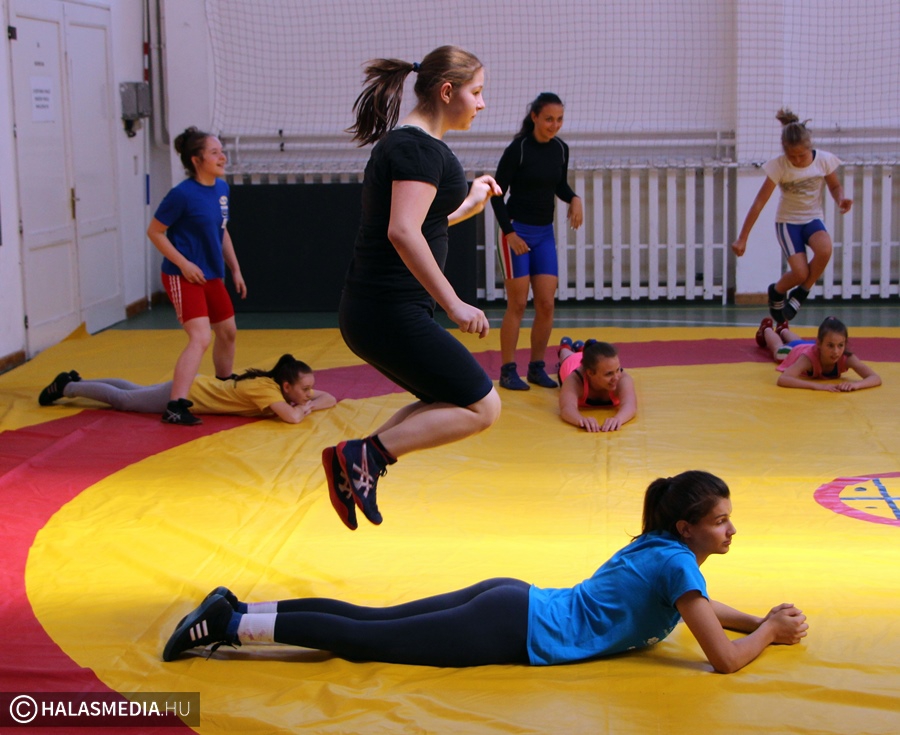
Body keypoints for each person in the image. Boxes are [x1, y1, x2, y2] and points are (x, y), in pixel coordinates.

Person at [163, 470, 808, 674]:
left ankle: (239, 609)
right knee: (364, 640)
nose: (731, 530)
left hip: (513, 598)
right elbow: (723, 660)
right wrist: (769, 633)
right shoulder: (677, 563)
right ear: (688, 528)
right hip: (513, 627)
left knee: (372, 622)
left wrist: (757, 617)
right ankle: (229, 626)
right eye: (721, 521)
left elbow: (699, 607)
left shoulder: (661, 549)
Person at [321, 46, 502, 531]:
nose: (482, 103)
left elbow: (422, 221)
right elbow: (402, 231)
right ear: (447, 92)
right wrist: (455, 304)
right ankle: (363, 457)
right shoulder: (419, 149)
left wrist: (469, 203)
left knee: (450, 401)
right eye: (476, 92)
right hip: (387, 312)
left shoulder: (413, 146)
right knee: (483, 406)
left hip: (379, 311)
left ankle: (355, 463)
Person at [147, 127, 247, 427]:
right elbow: (155, 232)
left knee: (228, 332)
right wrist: (184, 264)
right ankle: (175, 406)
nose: (222, 157)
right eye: (214, 152)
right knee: (201, 337)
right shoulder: (181, 195)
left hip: (211, 273)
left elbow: (221, 231)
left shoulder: (222, 189)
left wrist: (235, 268)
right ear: (196, 159)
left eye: (221, 151)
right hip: (183, 275)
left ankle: (223, 386)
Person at [491, 93, 583, 391]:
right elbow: (496, 195)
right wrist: (510, 233)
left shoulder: (560, 149)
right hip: (516, 233)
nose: (554, 125)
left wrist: (574, 198)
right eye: (548, 119)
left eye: (559, 120)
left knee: (546, 304)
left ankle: (536, 367)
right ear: (534, 117)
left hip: (544, 234)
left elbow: (559, 185)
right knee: (517, 304)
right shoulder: (518, 149)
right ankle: (508, 371)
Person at [731, 109, 852, 323]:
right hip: (788, 223)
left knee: (825, 250)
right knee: (799, 272)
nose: (796, 160)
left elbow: (834, 186)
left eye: (801, 155)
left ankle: (801, 293)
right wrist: (743, 238)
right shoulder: (779, 166)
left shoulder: (823, 160)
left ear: (810, 147)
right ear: (784, 151)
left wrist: (841, 199)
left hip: (812, 219)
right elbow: (759, 202)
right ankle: (777, 291)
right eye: (791, 156)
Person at [37, 355, 336, 423]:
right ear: (286, 386)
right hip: (190, 394)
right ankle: (69, 386)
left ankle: (78, 381)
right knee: (125, 400)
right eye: (305, 389)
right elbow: (292, 418)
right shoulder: (266, 391)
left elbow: (330, 398)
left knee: (135, 390)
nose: (310, 394)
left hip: (195, 386)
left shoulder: (277, 389)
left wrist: (306, 403)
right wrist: (303, 408)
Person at [754, 316, 882, 392]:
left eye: (840, 345)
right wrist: (817, 386)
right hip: (794, 351)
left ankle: (783, 330)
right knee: (778, 350)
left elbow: (875, 378)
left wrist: (856, 385)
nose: (836, 351)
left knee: (800, 342)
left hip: (807, 345)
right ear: (819, 343)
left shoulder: (846, 357)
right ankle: (767, 330)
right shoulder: (808, 358)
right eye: (831, 346)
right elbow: (783, 379)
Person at [557, 337, 637, 432]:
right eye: (609, 374)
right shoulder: (575, 381)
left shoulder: (623, 379)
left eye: (618, 369)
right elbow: (566, 408)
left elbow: (630, 405)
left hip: (594, 364)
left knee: (592, 359)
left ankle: (582, 349)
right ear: (590, 373)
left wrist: (618, 419)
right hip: (572, 362)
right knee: (566, 356)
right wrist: (580, 420)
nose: (616, 377)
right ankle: (565, 347)